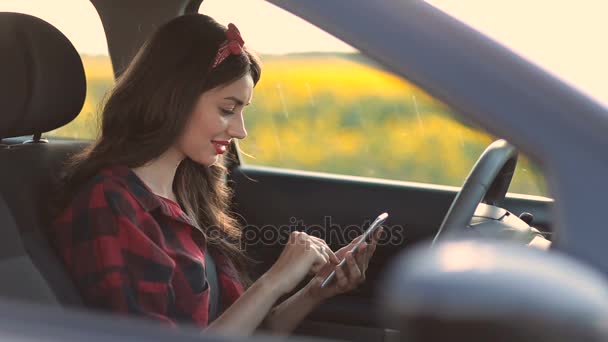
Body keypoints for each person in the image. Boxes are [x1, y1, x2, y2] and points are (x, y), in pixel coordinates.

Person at [48, 13, 381, 336]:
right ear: (174, 96)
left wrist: (315, 292)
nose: (240, 131)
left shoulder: (189, 191)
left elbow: (242, 329)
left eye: (241, 111)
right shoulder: (110, 206)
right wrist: (275, 279)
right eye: (226, 109)